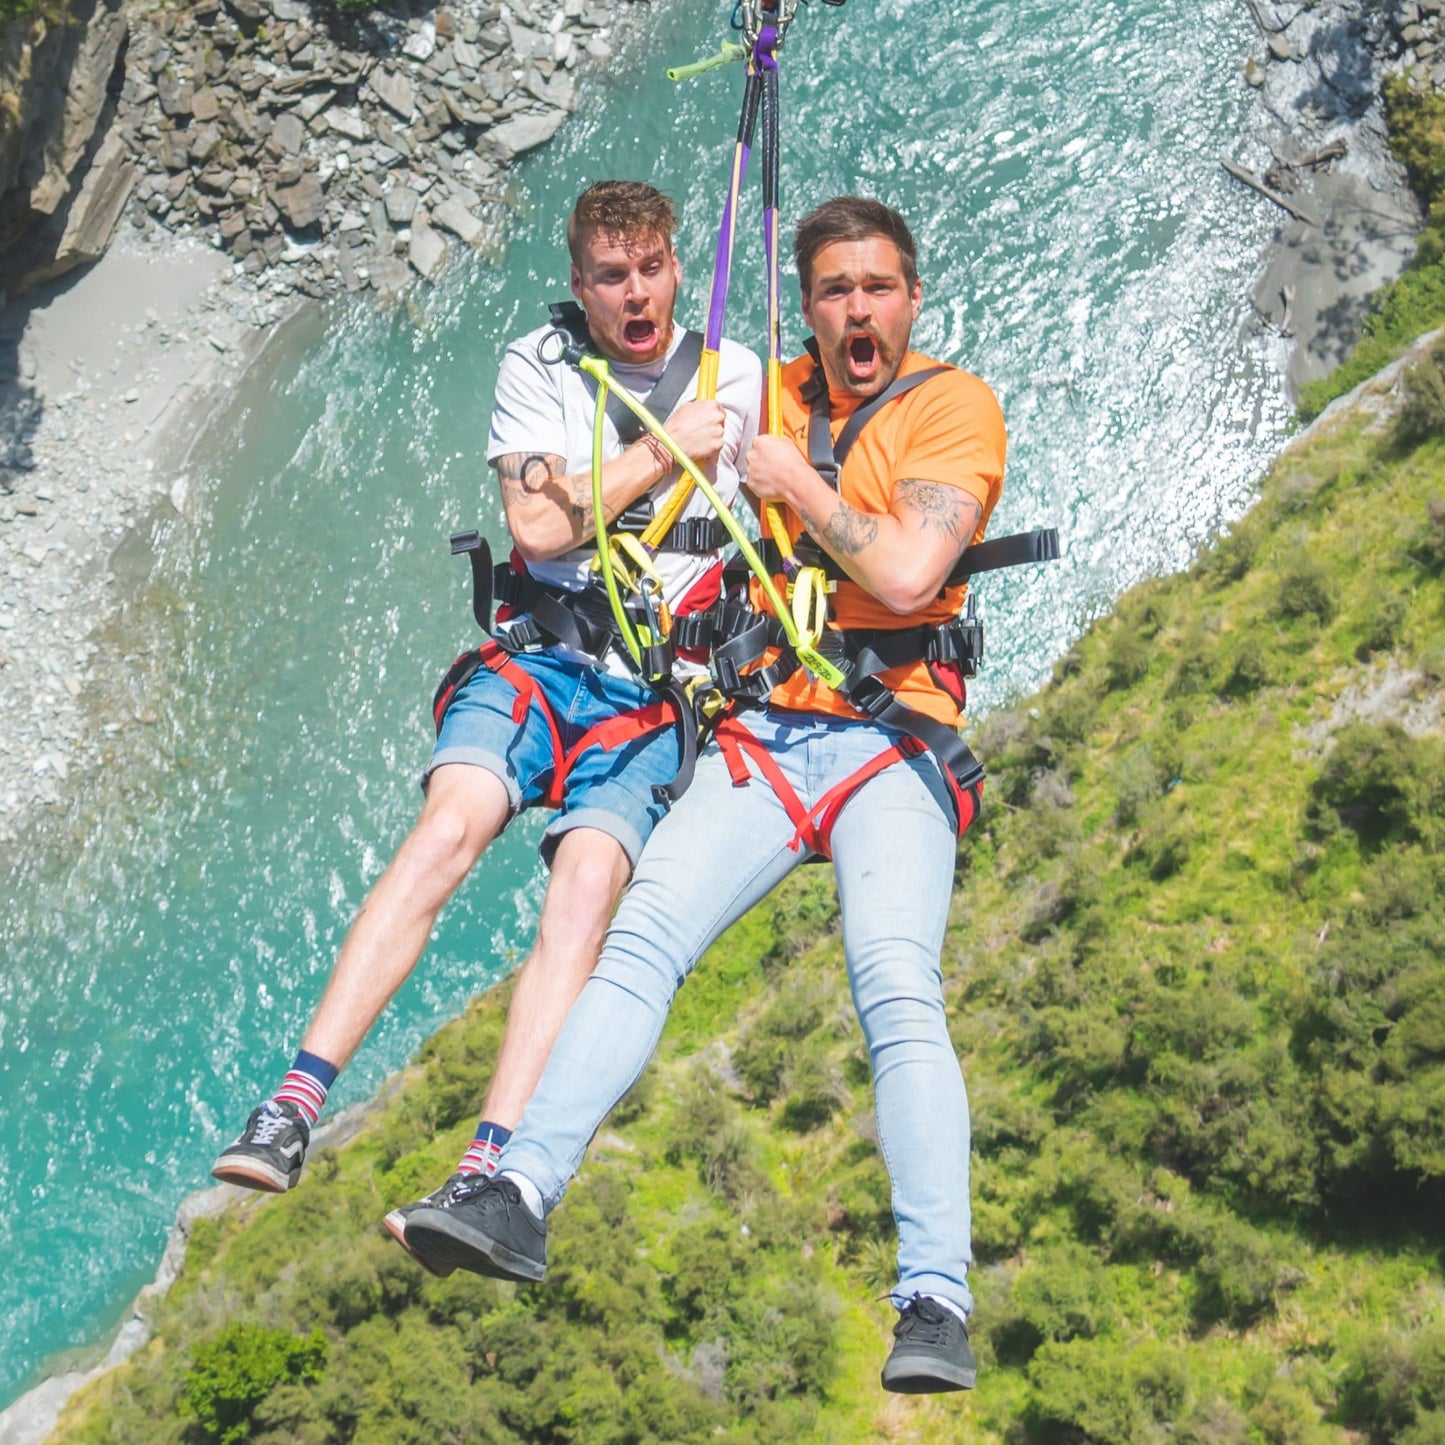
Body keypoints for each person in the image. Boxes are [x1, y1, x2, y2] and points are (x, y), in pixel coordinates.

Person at [401, 196, 1007, 1395]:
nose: (853, 311)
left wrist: (792, 477)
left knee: (893, 981)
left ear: (910, 298)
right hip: (772, 730)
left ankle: (933, 1293)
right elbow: (646, 423)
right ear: (810, 305)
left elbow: (899, 567)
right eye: (831, 291)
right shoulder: (767, 387)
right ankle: (519, 1188)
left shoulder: (950, 407)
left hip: (895, 742)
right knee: (639, 945)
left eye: (874, 288)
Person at [210, 182, 762, 1248]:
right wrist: (667, 448)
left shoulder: (736, 373)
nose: (635, 293)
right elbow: (537, 525)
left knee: (583, 892)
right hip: (546, 654)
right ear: (579, 285)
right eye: (611, 275)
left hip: (652, 691)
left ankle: (487, 1164)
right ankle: (293, 1103)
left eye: (650, 268)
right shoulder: (540, 365)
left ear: (677, 269)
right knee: (450, 825)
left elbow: (762, 497)